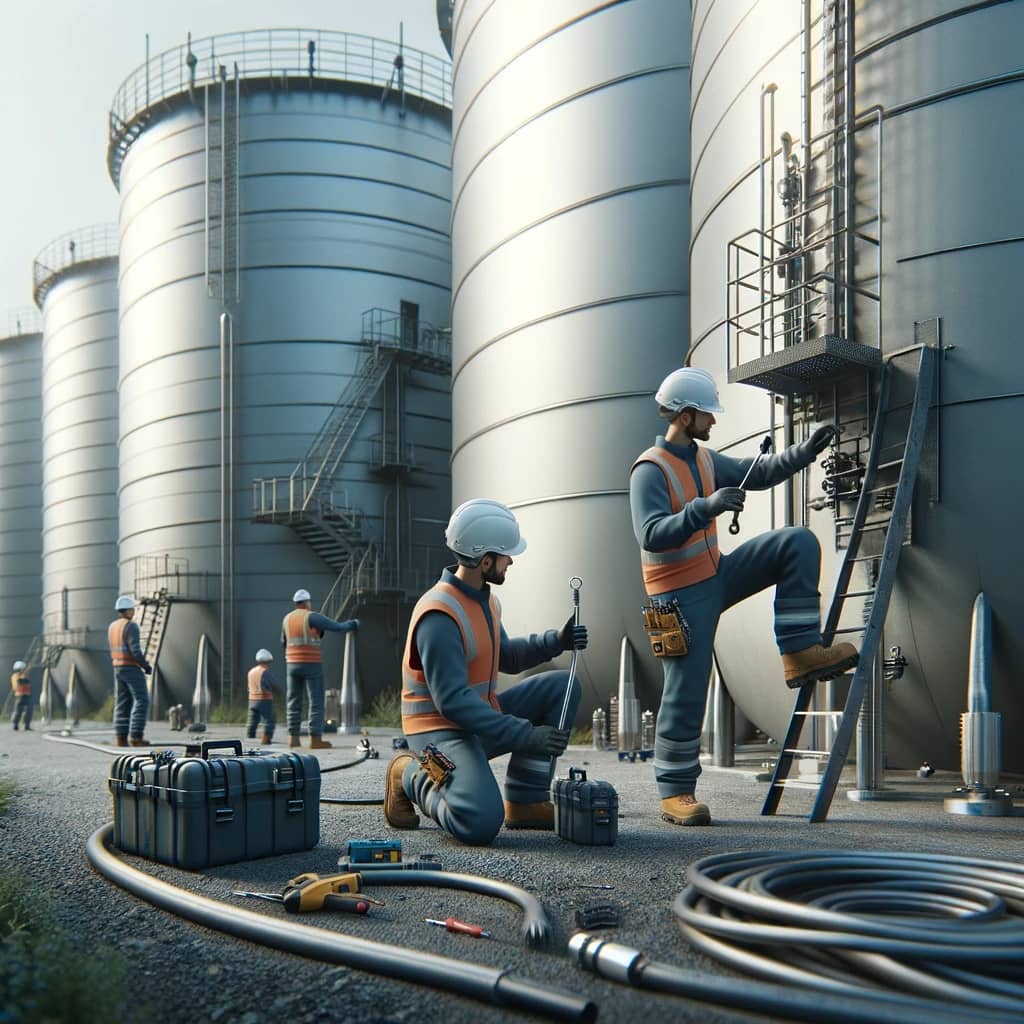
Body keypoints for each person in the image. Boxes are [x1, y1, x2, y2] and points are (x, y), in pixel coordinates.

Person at [629, 367, 859, 826]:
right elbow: (651, 534)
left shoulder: (706, 459)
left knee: (795, 542)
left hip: (717, 575)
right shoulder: (649, 470)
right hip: (678, 597)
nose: (713, 424)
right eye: (708, 416)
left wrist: (803, 453)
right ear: (686, 415)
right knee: (686, 691)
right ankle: (675, 793)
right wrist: (705, 508)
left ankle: (799, 651)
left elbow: (758, 472)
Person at [382, 498, 589, 846]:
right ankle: (410, 773)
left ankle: (525, 801)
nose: (512, 561)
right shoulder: (439, 615)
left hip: (477, 721)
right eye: (506, 554)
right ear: (485, 559)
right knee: (478, 822)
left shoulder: (484, 599)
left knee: (560, 687)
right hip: (440, 735)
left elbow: (505, 656)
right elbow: (454, 703)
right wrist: (525, 734)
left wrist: (557, 640)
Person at [281, 590, 359, 750]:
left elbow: (283, 642)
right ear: (307, 602)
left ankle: (293, 739)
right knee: (316, 701)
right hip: (311, 663)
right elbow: (336, 626)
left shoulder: (286, 619)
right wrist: (353, 624)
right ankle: (315, 739)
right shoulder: (312, 617)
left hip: (291, 665)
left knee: (293, 701)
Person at [108, 595, 153, 748]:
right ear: (127, 611)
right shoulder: (130, 626)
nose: (133, 612)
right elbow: (135, 650)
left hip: (117, 668)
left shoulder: (112, 627)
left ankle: (120, 738)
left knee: (122, 703)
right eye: (132, 610)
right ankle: (136, 737)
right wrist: (145, 666)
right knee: (142, 700)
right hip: (131, 667)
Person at [246, 648, 277, 745]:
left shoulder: (251, 671)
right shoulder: (265, 672)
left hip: (252, 699)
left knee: (252, 719)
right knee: (269, 720)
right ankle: (266, 739)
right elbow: (269, 684)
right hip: (264, 699)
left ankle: (250, 736)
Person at [10, 661, 32, 731]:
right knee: (18, 711)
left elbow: (28, 684)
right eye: (23, 669)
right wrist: (24, 676)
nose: (24, 670)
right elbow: (19, 683)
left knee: (29, 710)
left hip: (26, 695)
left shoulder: (25, 676)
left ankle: (27, 725)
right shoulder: (15, 676)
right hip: (19, 696)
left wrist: (25, 675)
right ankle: (15, 724)